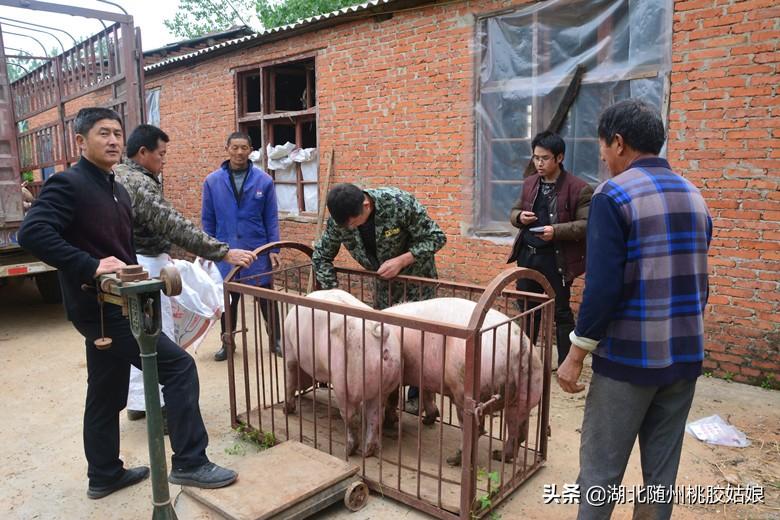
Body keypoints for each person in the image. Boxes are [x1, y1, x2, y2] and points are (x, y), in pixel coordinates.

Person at [18, 107, 237, 500]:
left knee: (106, 392)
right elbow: (33, 233)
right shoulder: (68, 184)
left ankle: (104, 474)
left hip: (120, 305)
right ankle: (190, 462)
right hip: (100, 306)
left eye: (118, 133)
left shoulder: (116, 186)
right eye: (103, 133)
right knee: (180, 367)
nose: (114, 140)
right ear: (81, 142)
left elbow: (121, 248)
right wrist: (89, 265)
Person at [557, 99, 712, 520]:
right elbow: (698, 282)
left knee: (600, 474)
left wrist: (574, 356)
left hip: (629, 360)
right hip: (684, 358)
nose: (603, 158)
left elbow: (603, 287)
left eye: (603, 148)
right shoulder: (694, 195)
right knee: (661, 476)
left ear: (619, 143)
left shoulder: (614, 195)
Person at [115, 124, 257, 421]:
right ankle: (165, 409)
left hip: (134, 261)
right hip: (145, 266)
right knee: (159, 336)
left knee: (139, 334)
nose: (164, 160)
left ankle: (140, 402)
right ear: (143, 153)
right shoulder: (137, 183)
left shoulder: (124, 176)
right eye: (161, 154)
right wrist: (222, 251)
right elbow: (173, 224)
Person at [311, 183, 447, 412]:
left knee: (419, 343)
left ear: (366, 204)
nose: (350, 228)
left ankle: (419, 396)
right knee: (387, 340)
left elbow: (436, 237)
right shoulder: (341, 221)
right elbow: (322, 256)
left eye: (354, 222)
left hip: (417, 283)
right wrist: (334, 294)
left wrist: (402, 260)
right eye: (346, 225)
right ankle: (388, 401)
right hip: (384, 287)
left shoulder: (399, 203)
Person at [507, 131, 593, 366]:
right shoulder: (529, 183)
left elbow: (586, 225)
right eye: (536, 158)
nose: (539, 163)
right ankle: (524, 360)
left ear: (559, 157)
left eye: (544, 158)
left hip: (557, 259)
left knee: (561, 311)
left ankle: (566, 362)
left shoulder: (579, 188)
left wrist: (556, 231)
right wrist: (520, 217)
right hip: (528, 255)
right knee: (526, 308)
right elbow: (513, 212)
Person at [202, 132, 281, 362]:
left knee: (266, 296)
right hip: (226, 249)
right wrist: (208, 249)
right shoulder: (212, 181)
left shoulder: (263, 181)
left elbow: (271, 218)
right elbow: (208, 219)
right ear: (227, 148)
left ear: (251, 150)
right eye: (234, 147)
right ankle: (228, 343)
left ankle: (276, 340)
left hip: (256, 249)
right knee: (227, 299)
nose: (239, 152)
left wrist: (274, 249)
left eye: (244, 148)